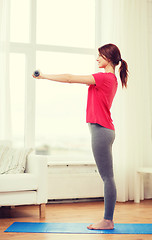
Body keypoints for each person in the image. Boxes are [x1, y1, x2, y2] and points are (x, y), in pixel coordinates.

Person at [32, 43, 128, 230]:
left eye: (100, 56)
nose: (97, 58)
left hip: (101, 130)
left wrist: (44, 76)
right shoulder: (109, 79)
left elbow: (69, 78)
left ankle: (107, 220)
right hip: (103, 130)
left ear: (108, 58)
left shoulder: (104, 78)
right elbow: (73, 79)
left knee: (107, 177)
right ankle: (108, 219)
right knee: (108, 176)